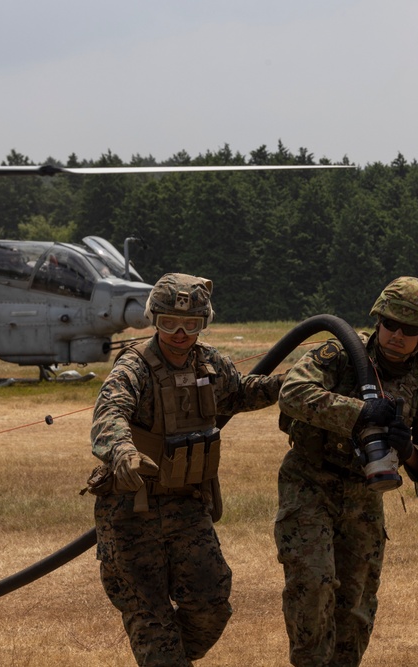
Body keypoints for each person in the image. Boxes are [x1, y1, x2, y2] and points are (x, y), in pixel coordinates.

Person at [88, 272, 284, 667]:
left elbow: (241, 392)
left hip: (188, 506)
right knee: (151, 620)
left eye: (191, 324)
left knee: (212, 606)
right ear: (153, 321)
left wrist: (290, 384)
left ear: (204, 324)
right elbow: (110, 413)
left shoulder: (211, 363)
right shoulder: (134, 366)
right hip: (132, 510)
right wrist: (123, 453)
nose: (180, 333)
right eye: (168, 323)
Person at [275, 276, 418, 667]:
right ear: (378, 320)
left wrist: (409, 452)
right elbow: (292, 392)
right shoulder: (341, 354)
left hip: (365, 495)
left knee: (355, 607)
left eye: (410, 329)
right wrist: (360, 413)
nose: (397, 335)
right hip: (309, 482)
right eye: (391, 324)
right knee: (312, 583)